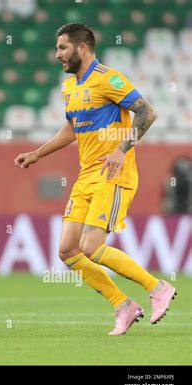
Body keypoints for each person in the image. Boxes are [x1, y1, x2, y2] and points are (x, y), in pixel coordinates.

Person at [14, 23, 176, 336]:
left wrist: (121, 149)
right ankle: (123, 305)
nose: (57, 54)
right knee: (68, 250)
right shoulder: (69, 88)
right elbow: (71, 129)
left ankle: (157, 287)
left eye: (62, 47)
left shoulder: (108, 79)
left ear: (82, 47)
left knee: (91, 245)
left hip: (113, 173)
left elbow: (147, 113)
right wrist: (38, 153)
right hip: (86, 175)